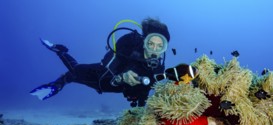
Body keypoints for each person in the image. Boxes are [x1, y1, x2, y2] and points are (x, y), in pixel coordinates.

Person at [30, 18, 170, 107]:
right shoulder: (129, 44)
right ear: (145, 41)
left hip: (123, 90)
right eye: (151, 43)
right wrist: (122, 76)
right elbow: (111, 64)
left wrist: (141, 109)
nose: (154, 49)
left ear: (164, 48)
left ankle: (61, 64)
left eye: (160, 46)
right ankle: (59, 58)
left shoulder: (159, 65)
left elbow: (147, 88)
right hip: (103, 77)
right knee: (75, 71)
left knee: (75, 72)